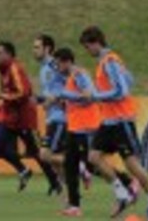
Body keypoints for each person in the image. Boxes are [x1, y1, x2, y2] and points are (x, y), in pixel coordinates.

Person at [80, 26, 148, 220]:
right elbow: (130, 80)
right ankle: (122, 194)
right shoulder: (107, 62)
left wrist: (95, 96)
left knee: (132, 165)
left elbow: (122, 91)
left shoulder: (110, 61)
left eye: (87, 46)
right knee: (93, 157)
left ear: (96, 43)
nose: (87, 51)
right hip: (109, 121)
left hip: (121, 120)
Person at [0, 41, 61, 194]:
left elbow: (23, 92)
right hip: (11, 117)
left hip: (24, 117)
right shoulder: (4, 69)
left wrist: (4, 96)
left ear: (9, 54)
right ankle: (23, 170)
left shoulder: (14, 68)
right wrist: (4, 104)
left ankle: (55, 181)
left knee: (36, 151)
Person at [50, 47, 102, 217]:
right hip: (74, 127)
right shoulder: (71, 77)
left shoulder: (79, 74)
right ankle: (74, 206)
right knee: (69, 165)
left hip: (86, 127)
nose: (57, 67)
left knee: (91, 163)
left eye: (58, 63)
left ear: (67, 62)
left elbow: (89, 96)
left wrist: (65, 94)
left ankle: (126, 181)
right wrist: (62, 102)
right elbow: (74, 99)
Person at [33, 34, 69, 194]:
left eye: (37, 47)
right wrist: (39, 99)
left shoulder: (55, 65)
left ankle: (80, 165)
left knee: (45, 155)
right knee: (55, 162)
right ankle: (69, 195)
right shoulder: (44, 68)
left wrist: (56, 100)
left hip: (60, 118)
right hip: (51, 117)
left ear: (47, 49)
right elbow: (50, 92)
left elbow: (70, 84)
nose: (34, 50)